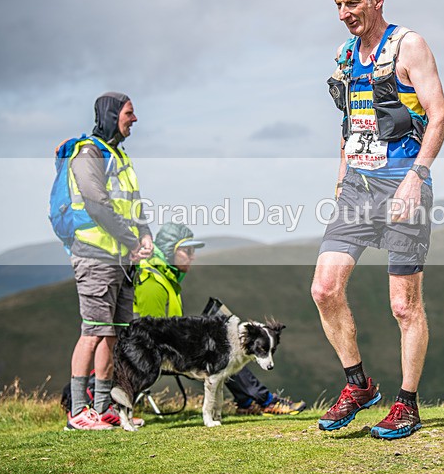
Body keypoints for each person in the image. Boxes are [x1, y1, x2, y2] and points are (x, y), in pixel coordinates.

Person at [311, 0, 444, 439]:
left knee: (404, 305)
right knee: (324, 289)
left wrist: (417, 176)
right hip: (356, 185)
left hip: (403, 182)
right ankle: (359, 385)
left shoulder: (408, 45)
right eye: (337, 6)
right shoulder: (346, 54)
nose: (344, 14)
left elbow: (440, 117)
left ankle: (406, 405)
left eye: (352, 3)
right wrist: (340, 176)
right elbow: (352, 122)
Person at [133, 221, 306, 416]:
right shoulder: (153, 283)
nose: (193, 256)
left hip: (176, 348)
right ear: (168, 251)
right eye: (187, 251)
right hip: (164, 353)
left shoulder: (167, 279)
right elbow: (154, 334)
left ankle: (252, 400)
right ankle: (261, 400)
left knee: (228, 345)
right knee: (226, 351)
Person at [65, 92, 153, 430]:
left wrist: (144, 234)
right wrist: (133, 241)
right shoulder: (88, 153)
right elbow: (97, 203)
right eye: (129, 113)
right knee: (92, 333)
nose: (134, 120)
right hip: (95, 256)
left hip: (121, 259)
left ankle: (102, 409)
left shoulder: (119, 156)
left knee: (112, 334)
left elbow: (133, 203)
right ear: (112, 114)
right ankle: (77, 412)